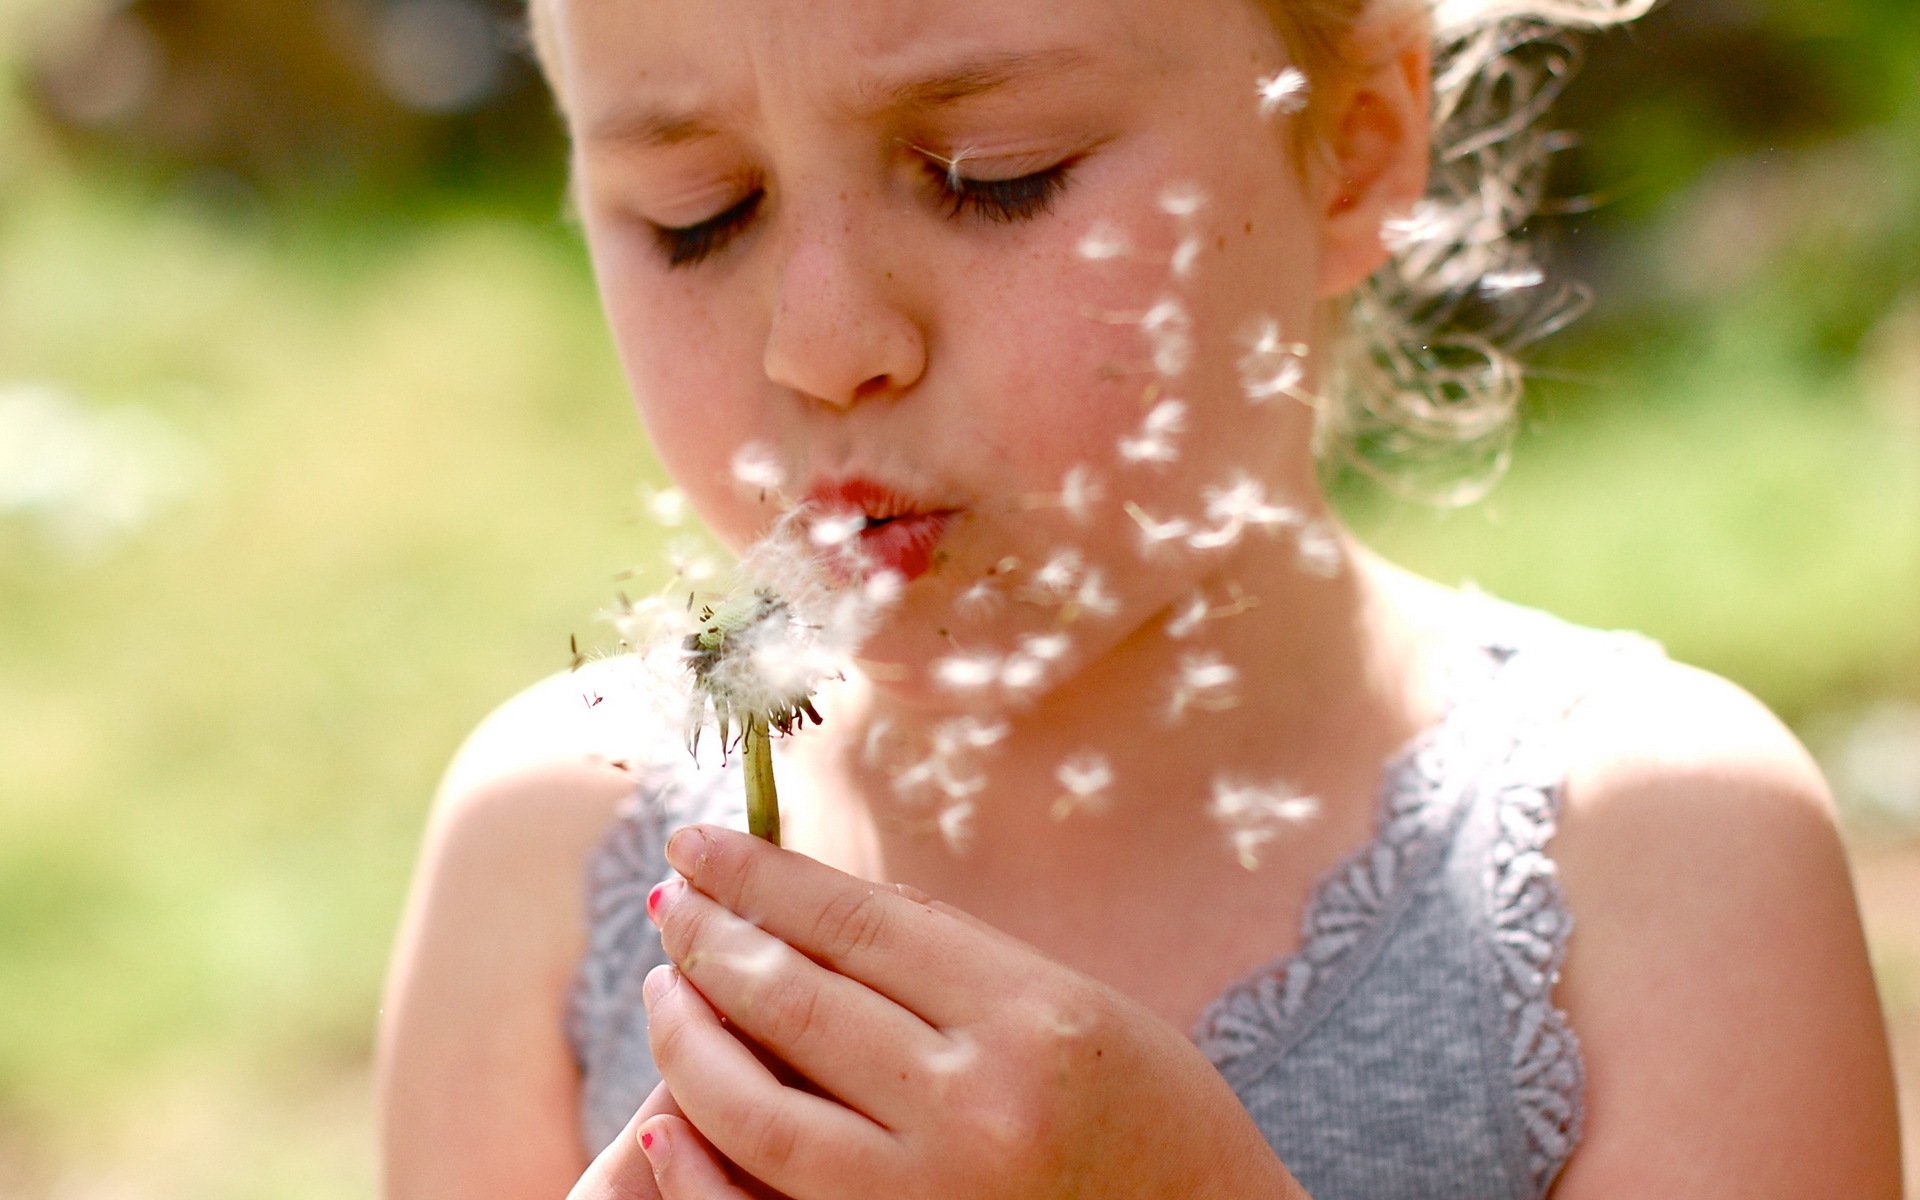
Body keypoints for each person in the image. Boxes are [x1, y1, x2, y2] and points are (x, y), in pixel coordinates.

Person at [375, 0, 1905, 1196]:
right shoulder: (547, 855)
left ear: (1358, 141)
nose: (826, 341)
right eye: (696, 213)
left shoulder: (1654, 870)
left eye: (997, 177)